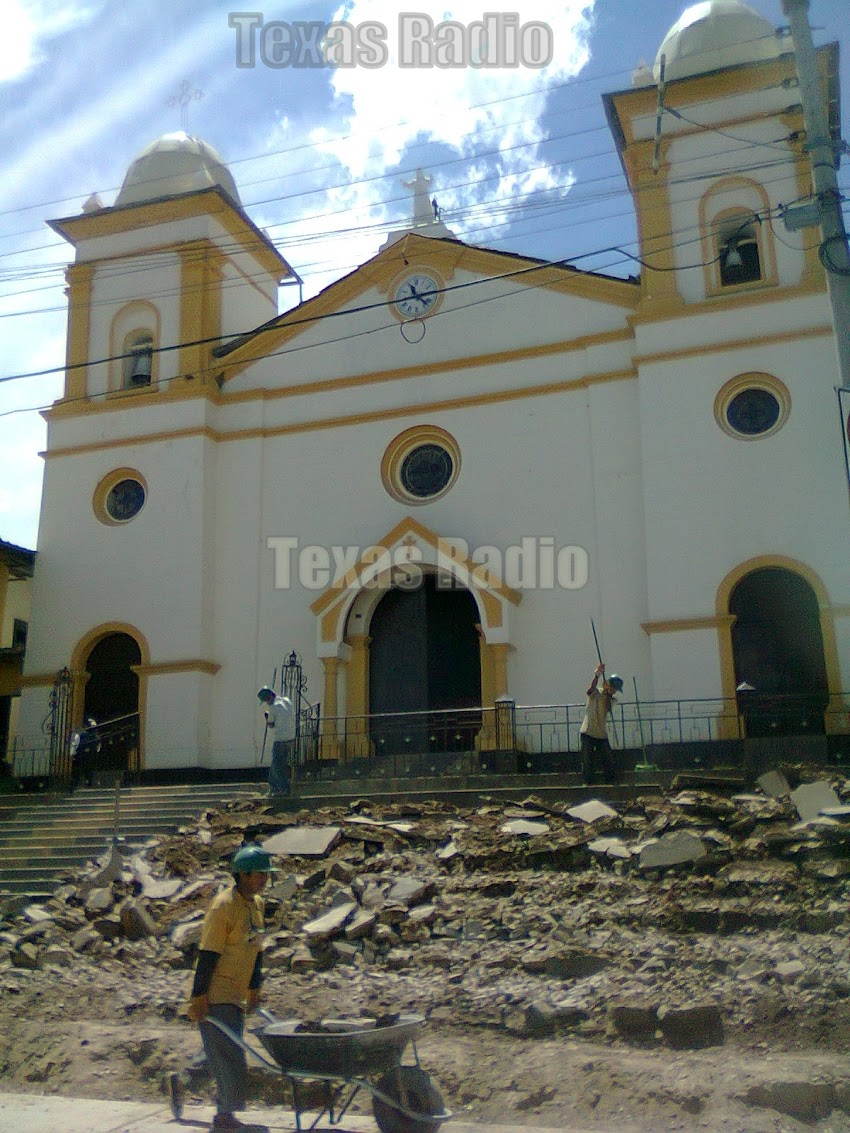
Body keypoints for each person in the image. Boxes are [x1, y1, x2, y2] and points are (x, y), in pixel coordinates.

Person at [185, 844, 274, 1133]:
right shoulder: (223, 907)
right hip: (216, 992)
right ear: (243, 875)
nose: (264, 879)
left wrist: (254, 989)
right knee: (231, 1056)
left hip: (236, 993)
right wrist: (199, 996)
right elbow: (208, 954)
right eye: (259, 874)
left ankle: (181, 1079)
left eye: (266, 874)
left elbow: (256, 948)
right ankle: (224, 1119)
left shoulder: (256, 904)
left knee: (220, 1050)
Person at [579, 663, 623, 784]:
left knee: (608, 759)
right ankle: (588, 783)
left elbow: (608, 705)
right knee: (587, 760)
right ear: (609, 685)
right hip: (588, 731)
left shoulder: (611, 699)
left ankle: (610, 781)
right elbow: (590, 689)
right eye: (613, 688)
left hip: (601, 734)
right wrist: (597, 675)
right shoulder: (596, 693)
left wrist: (606, 694)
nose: (614, 692)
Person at [256, 686, 296, 795]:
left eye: (265, 701)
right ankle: (273, 786)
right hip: (291, 737)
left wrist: (267, 717)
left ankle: (284, 789)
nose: (266, 703)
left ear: (269, 698)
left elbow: (271, 725)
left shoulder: (273, 708)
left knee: (278, 766)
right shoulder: (287, 701)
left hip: (280, 739)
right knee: (276, 763)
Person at [71, 717, 99, 789]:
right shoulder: (97, 737)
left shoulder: (80, 735)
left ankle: (76, 784)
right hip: (89, 757)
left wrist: (73, 754)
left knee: (79, 770)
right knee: (88, 770)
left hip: (81, 756)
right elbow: (98, 749)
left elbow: (75, 746)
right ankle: (88, 783)